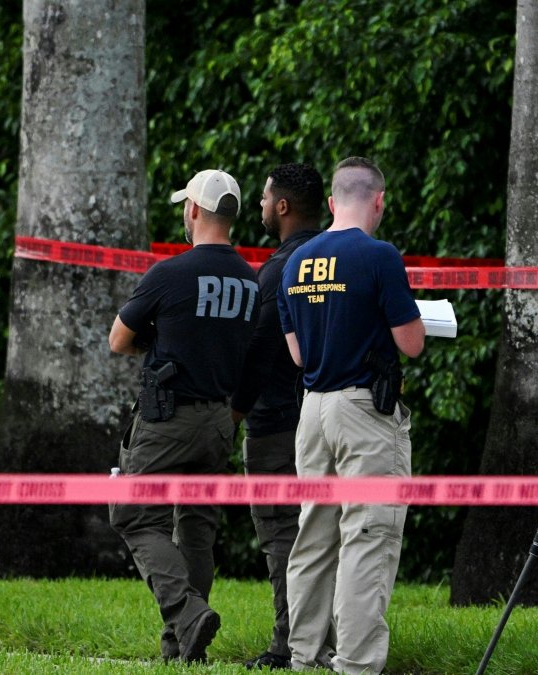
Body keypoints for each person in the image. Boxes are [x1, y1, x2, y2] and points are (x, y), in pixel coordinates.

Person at [277, 157, 425, 674]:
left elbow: (298, 355)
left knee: (313, 539)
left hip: (312, 411)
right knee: (368, 534)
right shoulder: (380, 256)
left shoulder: (296, 262)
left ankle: (304, 656)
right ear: (378, 201)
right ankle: (357, 664)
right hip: (363, 411)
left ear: (332, 202)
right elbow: (411, 343)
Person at [108, 169, 259, 663]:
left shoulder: (169, 273)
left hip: (167, 419)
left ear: (193, 210)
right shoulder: (250, 280)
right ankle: (182, 648)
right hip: (218, 420)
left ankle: (188, 615)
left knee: (134, 515)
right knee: (197, 528)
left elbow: (118, 339)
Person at [229, 163, 325, 671]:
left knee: (282, 534)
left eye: (266, 199)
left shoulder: (276, 272)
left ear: (283, 206)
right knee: (326, 533)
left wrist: (233, 416)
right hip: (329, 416)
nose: (262, 206)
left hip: (276, 424)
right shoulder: (337, 261)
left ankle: (288, 644)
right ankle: (331, 639)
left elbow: (260, 355)